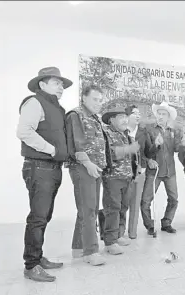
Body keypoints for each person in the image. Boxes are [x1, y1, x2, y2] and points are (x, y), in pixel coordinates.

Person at [16, 67, 72, 282]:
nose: (61, 88)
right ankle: (31, 265)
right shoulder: (34, 102)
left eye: (62, 85)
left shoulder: (57, 108)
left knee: (44, 216)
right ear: (42, 84)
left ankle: (37, 258)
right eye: (56, 83)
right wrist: (52, 150)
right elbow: (23, 132)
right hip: (39, 167)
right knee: (38, 217)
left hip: (52, 168)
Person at [65, 85, 107, 266]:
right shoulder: (76, 115)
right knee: (89, 209)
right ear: (84, 98)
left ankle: (78, 248)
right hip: (83, 167)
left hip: (94, 168)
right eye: (94, 99)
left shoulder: (94, 118)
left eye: (100, 100)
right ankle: (91, 252)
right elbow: (75, 143)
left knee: (86, 209)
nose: (98, 103)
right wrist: (88, 163)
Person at [100, 102, 140, 255]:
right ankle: (110, 241)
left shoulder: (125, 134)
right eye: (121, 117)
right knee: (113, 208)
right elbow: (108, 153)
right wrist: (127, 149)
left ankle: (118, 235)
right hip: (113, 177)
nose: (125, 120)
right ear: (111, 120)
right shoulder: (106, 133)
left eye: (125, 116)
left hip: (127, 177)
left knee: (123, 207)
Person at [140, 102, 185, 235]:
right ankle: (149, 226)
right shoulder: (149, 130)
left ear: (168, 117)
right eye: (159, 113)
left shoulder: (173, 131)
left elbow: (176, 149)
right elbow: (146, 152)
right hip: (154, 171)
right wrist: (155, 145)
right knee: (146, 200)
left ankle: (167, 223)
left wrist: (183, 144)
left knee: (174, 199)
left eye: (163, 114)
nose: (160, 116)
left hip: (170, 171)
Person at [118, 104, 156, 239]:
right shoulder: (121, 132)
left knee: (135, 203)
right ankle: (119, 233)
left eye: (139, 113)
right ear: (127, 116)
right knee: (123, 204)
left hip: (140, 172)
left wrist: (156, 145)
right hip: (124, 173)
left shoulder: (143, 132)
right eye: (135, 113)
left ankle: (132, 232)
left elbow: (147, 152)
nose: (138, 115)